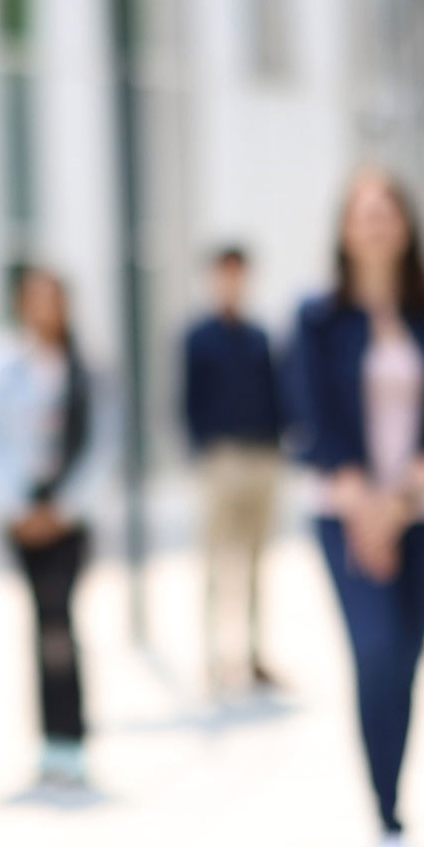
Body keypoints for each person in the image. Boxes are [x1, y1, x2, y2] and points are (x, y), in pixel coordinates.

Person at [282, 167, 424, 847]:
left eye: (388, 212)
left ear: (407, 226)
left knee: (405, 666)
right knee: (378, 653)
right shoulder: (317, 315)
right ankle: (389, 826)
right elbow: (312, 421)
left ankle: (395, 807)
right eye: (364, 213)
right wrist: (366, 508)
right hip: (343, 512)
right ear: (344, 229)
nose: (376, 224)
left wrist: (400, 505)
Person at [0, 267, 115, 789]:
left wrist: (64, 509)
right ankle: (51, 741)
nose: (43, 309)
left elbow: (103, 445)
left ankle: (71, 736)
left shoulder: (89, 368)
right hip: (22, 516)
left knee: (60, 620)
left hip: (70, 519)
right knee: (42, 620)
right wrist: (17, 509)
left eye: (52, 299)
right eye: (34, 299)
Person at [180, 245, 285, 694]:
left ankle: (254, 654)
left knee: (258, 563)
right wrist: (204, 452)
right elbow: (188, 402)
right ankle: (212, 656)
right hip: (222, 458)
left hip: (262, 456)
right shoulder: (198, 337)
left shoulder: (259, 336)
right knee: (216, 562)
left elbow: (277, 393)